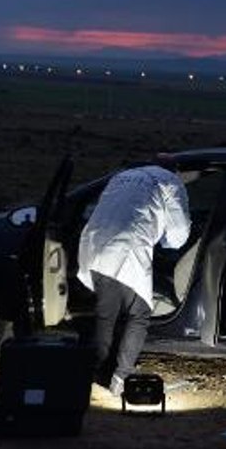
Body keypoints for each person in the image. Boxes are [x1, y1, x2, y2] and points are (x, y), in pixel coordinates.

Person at [77, 161, 191, 397]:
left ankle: (95, 373)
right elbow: (179, 232)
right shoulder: (170, 181)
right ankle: (122, 377)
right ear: (175, 170)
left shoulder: (122, 176)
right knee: (138, 315)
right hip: (128, 248)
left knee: (106, 314)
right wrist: (167, 244)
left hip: (94, 242)